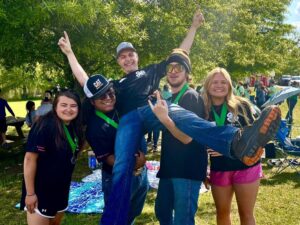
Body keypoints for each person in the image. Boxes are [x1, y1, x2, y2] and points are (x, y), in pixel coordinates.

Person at [58, 9, 281, 224]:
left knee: (174, 111)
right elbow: (85, 81)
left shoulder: (151, 71)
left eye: (130, 54)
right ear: (118, 62)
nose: (127, 59)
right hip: (130, 122)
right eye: (122, 57)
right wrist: (69, 54)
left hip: (151, 111)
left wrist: (193, 27)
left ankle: (235, 141)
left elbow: (180, 56)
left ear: (136, 56)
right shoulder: (115, 85)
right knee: (122, 169)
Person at [82, 74, 149, 225]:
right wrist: (134, 163)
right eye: (101, 96)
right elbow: (108, 158)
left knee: (133, 212)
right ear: (92, 102)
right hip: (117, 178)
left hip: (140, 174)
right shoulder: (94, 128)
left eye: (109, 92)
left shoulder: (121, 107)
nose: (107, 97)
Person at [151, 53, 207, 225]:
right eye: (170, 68)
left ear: (187, 73)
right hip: (170, 168)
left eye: (179, 68)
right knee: (162, 211)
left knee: (182, 220)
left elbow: (187, 138)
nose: (173, 71)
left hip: (187, 170)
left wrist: (164, 119)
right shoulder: (172, 98)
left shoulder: (190, 97)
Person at [202, 67, 262, 225]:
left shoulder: (241, 106)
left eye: (223, 82)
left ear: (229, 85)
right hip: (220, 168)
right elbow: (196, 139)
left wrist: (224, 147)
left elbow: (253, 137)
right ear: (208, 85)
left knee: (246, 214)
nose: (219, 85)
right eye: (215, 82)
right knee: (222, 213)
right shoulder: (202, 110)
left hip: (246, 166)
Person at [20, 90, 84, 225]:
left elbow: (76, 148)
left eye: (73, 106)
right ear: (55, 106)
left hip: (61, 189)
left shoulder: (75, 127)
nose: (68, 109)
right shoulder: (44, 125)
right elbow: (29, 159)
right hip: (40, 191)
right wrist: (30, 194)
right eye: (64, 105)